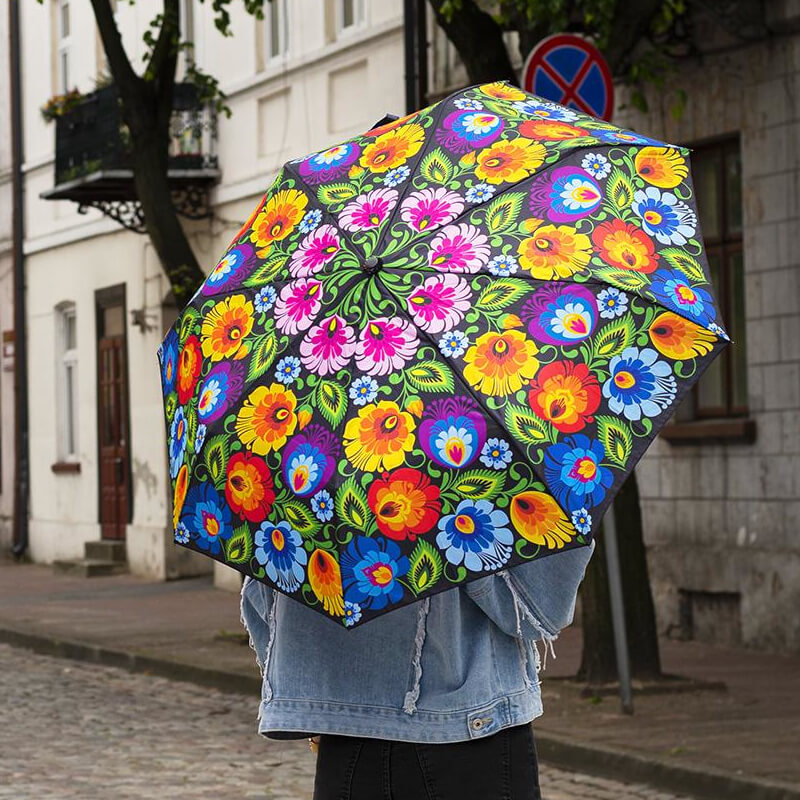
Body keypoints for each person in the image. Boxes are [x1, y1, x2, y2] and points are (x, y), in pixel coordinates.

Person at [240, 542, 594, 800]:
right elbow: (537, 609)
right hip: (468, 733)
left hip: (344, 744)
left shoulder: (300, 458)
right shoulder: (469, 451)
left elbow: (263, 599)